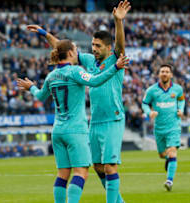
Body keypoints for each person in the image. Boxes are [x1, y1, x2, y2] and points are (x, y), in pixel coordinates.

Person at [26, 1, 130, 202]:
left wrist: (118, 22)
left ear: (108, 48)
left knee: (109, 166)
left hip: (113, 119)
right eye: (92, 45)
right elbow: (63, 49)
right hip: (95, 121)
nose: (94, 49)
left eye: (98, 46)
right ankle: (118, 200)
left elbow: (120, 45)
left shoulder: (116, 59)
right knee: (98, 166)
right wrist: (44, 33)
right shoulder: (89, 61)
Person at [142, 64, 185, 191]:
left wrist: (181, 110)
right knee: (162, 154)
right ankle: (168, 159)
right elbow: (144, 104)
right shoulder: (151, 90)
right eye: (162, 71)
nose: (165, 73)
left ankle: (169, 181)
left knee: (172, 151)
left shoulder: (177, 89)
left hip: (174, 127)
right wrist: (149, 112)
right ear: (159, 74)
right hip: (159, 128)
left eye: (167, 71)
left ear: (171, 75)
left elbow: (181, 100)